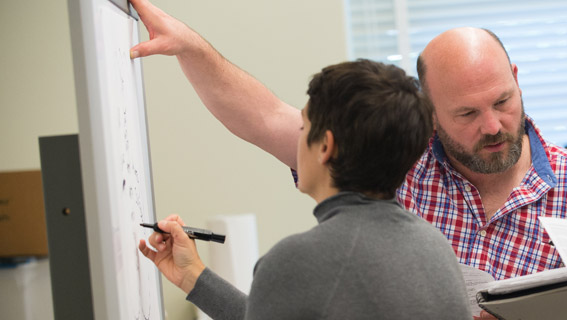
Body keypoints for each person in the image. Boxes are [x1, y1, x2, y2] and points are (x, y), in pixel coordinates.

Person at [128, 0, 567, 281]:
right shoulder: (394, 162)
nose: (494, 126)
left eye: (502, 101)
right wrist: (191, 49)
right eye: (466, 113)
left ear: (517, 78)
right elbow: (264, 118)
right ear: (428, 111)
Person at [138, 59, 470, 319]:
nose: (298, 138)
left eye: (303, 125)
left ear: (324, 146)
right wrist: (192, 276)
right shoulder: (435, 247)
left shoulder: (296, 261)